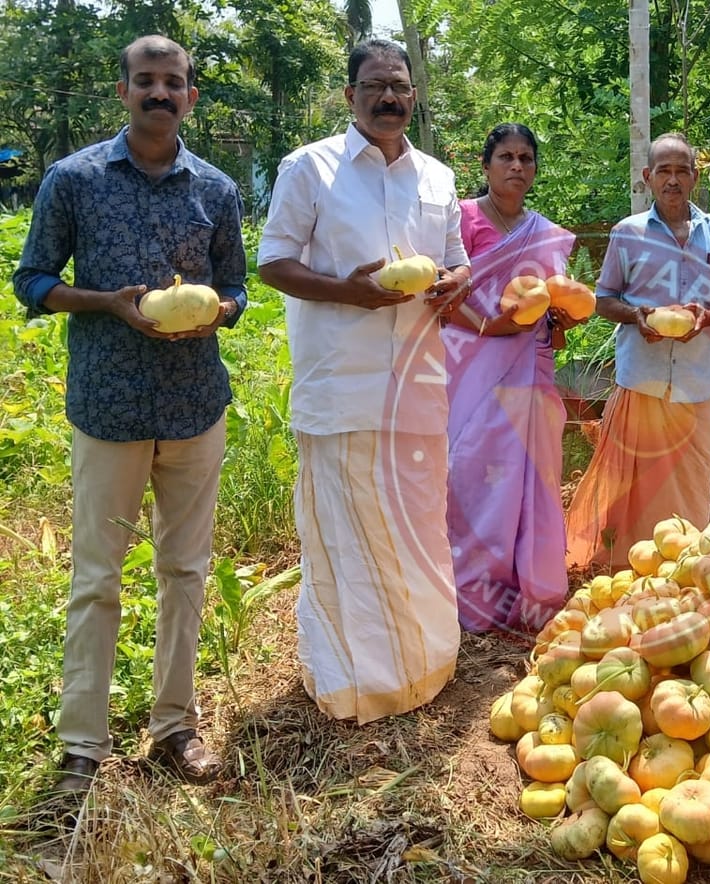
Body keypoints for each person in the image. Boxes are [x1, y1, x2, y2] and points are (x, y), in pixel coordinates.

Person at [12, 35, 247, 795]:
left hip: (193, 407)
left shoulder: (215, 188)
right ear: (123, 91)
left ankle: (175, 726)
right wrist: (106, 303)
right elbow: (32, 280)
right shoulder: (74, 179)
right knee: (96, 577)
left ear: (190, 96)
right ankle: (82, 744)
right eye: (145, 80)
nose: (159, 92)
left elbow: (238, 288)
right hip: (107, 405)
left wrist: (219, 313)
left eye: (173, 82)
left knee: (185, 570)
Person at [257, 39, 470, 723]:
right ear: (350, 95)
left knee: (419, 526)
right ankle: (353, 681)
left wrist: (455, 283)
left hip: (417, 388)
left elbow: (457, 261)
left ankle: (427, 664)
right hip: (341, 385)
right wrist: (346, 291)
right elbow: (273, 262)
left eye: (399, 86)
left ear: (414, 96)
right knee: (348, 540)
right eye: (375, 85)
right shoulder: (310, 168)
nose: (389, 97)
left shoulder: (436, 177)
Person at [564, 133, 710, 572]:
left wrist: (708, 317)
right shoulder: (628, 233)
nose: (673, 180)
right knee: (633, 489)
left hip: (697, 383)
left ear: (695, 176)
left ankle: (685, 573)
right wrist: (637, 316)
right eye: (664, 171)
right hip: (642, 382)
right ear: (648, 177)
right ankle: (629, 577)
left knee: (692, 485)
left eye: (682, 170)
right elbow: (603, 299)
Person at [441, 124, 581, 633]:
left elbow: (551, 320)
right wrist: (488, 327)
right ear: (486, 165)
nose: (517, 166)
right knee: (472, 473)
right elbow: (439, 297)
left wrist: (562, 319)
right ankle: (475, 595)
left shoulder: (544, 232)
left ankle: (531, 591)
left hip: (529, 369)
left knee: (532, 474)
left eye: (526, 158)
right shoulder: (461, 219)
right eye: (506, 157)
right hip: (470, 364)